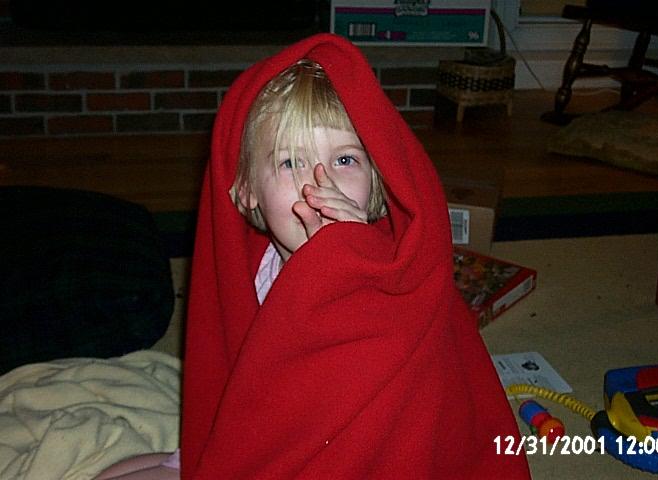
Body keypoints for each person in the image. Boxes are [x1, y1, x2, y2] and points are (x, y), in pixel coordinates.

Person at [98, 33, 530, 479]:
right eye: (290, 162)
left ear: (378, 179)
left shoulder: (394, 286)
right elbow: (241, 385)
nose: (320, 184)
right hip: (267, 438)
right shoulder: (251, 271)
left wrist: (346, 262)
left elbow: (405, 409)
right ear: (246, 191)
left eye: (345, 160)